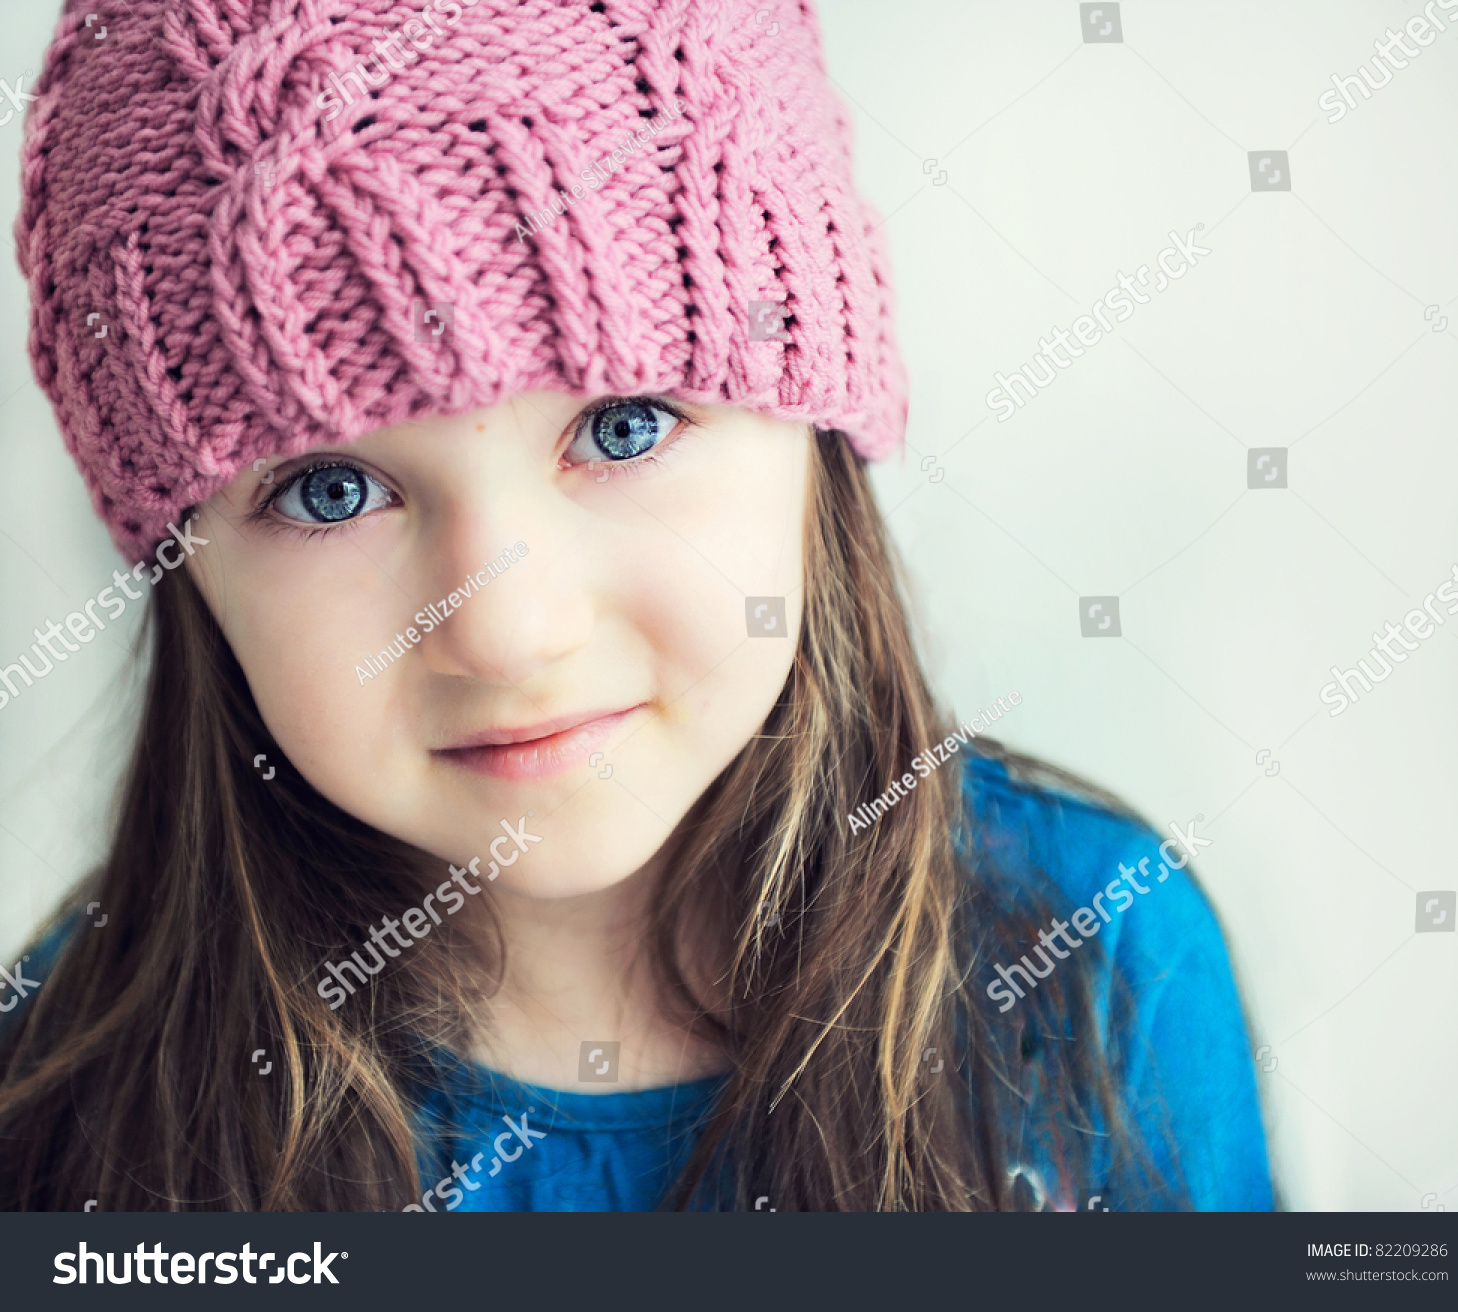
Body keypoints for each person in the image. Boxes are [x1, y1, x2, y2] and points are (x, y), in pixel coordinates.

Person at [0, 0, 1272, 1212]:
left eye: (623, 426)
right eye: (333, 490)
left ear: (814, 433)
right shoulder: (62, 1104)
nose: (509, 628)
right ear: (188, 563)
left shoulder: (1090, 963)